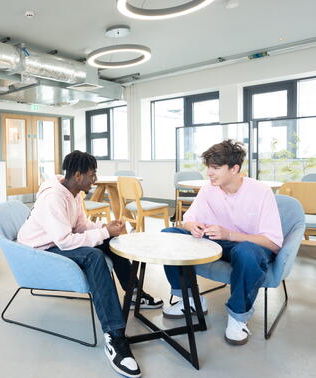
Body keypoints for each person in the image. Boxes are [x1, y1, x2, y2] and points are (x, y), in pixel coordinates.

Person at [18, 150, 162, 377]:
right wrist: (103, 232)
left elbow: (81, 225)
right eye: (92, 174)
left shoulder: (73, 193)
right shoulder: (53, 198)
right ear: (78, 175)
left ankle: (133, 292)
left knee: (110, 240)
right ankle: (115, 336)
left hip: (56, 242)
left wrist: (106, 229)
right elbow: (65, 241)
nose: (94, 179)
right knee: (94, 257)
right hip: (40, 251)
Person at [162, 140, 283, 345]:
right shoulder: (209, 190)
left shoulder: (260, 192)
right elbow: (185, 220)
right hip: (219, 241)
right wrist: (192, 226)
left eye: (216, 168)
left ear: (234, 169)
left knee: (245, 252)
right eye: (208, 167)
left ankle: (238, 316)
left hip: (252, 247)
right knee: (169, 234)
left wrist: (230, 234)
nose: (209, 173)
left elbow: (273, 243)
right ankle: (190, 299)